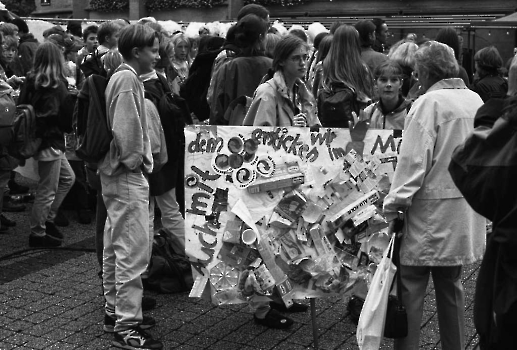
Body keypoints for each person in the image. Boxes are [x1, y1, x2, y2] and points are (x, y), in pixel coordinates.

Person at [383, 41, 486, 350]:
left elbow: (413, 163)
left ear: (425, 72)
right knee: (452, 287)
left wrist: (393, 207)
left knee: (411, 289)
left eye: (417, 73)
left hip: (427, 215)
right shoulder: (474, 100)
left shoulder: (429, 104)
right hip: (463, 214)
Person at [242, 35, 316, 328]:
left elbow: (315, 133)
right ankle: (260, 307)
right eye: (297, 57)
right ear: (282, 60)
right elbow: (260, 143)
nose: (303, 62)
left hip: (290, 181)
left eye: (305, 57)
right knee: (260, 242)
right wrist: (290, 132)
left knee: (283, 241)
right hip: (268, 182)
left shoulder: (301, 90)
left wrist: (305, 127)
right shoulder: (268, 93)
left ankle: (276, 295)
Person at [98, 24, 163, 349]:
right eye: (153, 49)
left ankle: (116, 313)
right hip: (126, 175)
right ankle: (127, 326)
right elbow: (126, 133)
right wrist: (137, 160)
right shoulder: (126, 79)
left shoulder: (123, 77)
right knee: (132, 252)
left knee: (116, 244)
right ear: (137, 52)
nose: (157, 55)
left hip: (117, 174)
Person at [17, 42, 76, 247]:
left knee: (67, 179)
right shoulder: (56, 84)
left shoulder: (32, 79)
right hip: (50, 140)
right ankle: (38, 232)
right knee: (47, 189)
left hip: (38, 138)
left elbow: (22, 106)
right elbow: (59, 117)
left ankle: (46, 221)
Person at [209, 13, 271, 125]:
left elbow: (217, 110)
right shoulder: (273, 66)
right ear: (261, 37)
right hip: (268, 134)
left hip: (234, 134)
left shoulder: (227, 68)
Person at [318, 25, 374, 127]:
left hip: (326, 124)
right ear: (357, 43)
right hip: (354, 122)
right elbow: (368, 96)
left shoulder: (322, 67)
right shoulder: (362, 68)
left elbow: (315, 95)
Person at [361, 60, 412, 130]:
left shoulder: (412, 111)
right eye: (383, 80)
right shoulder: (369, 113)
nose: (388, 85)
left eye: (394, 80)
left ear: (401, 83)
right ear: (375, 83)